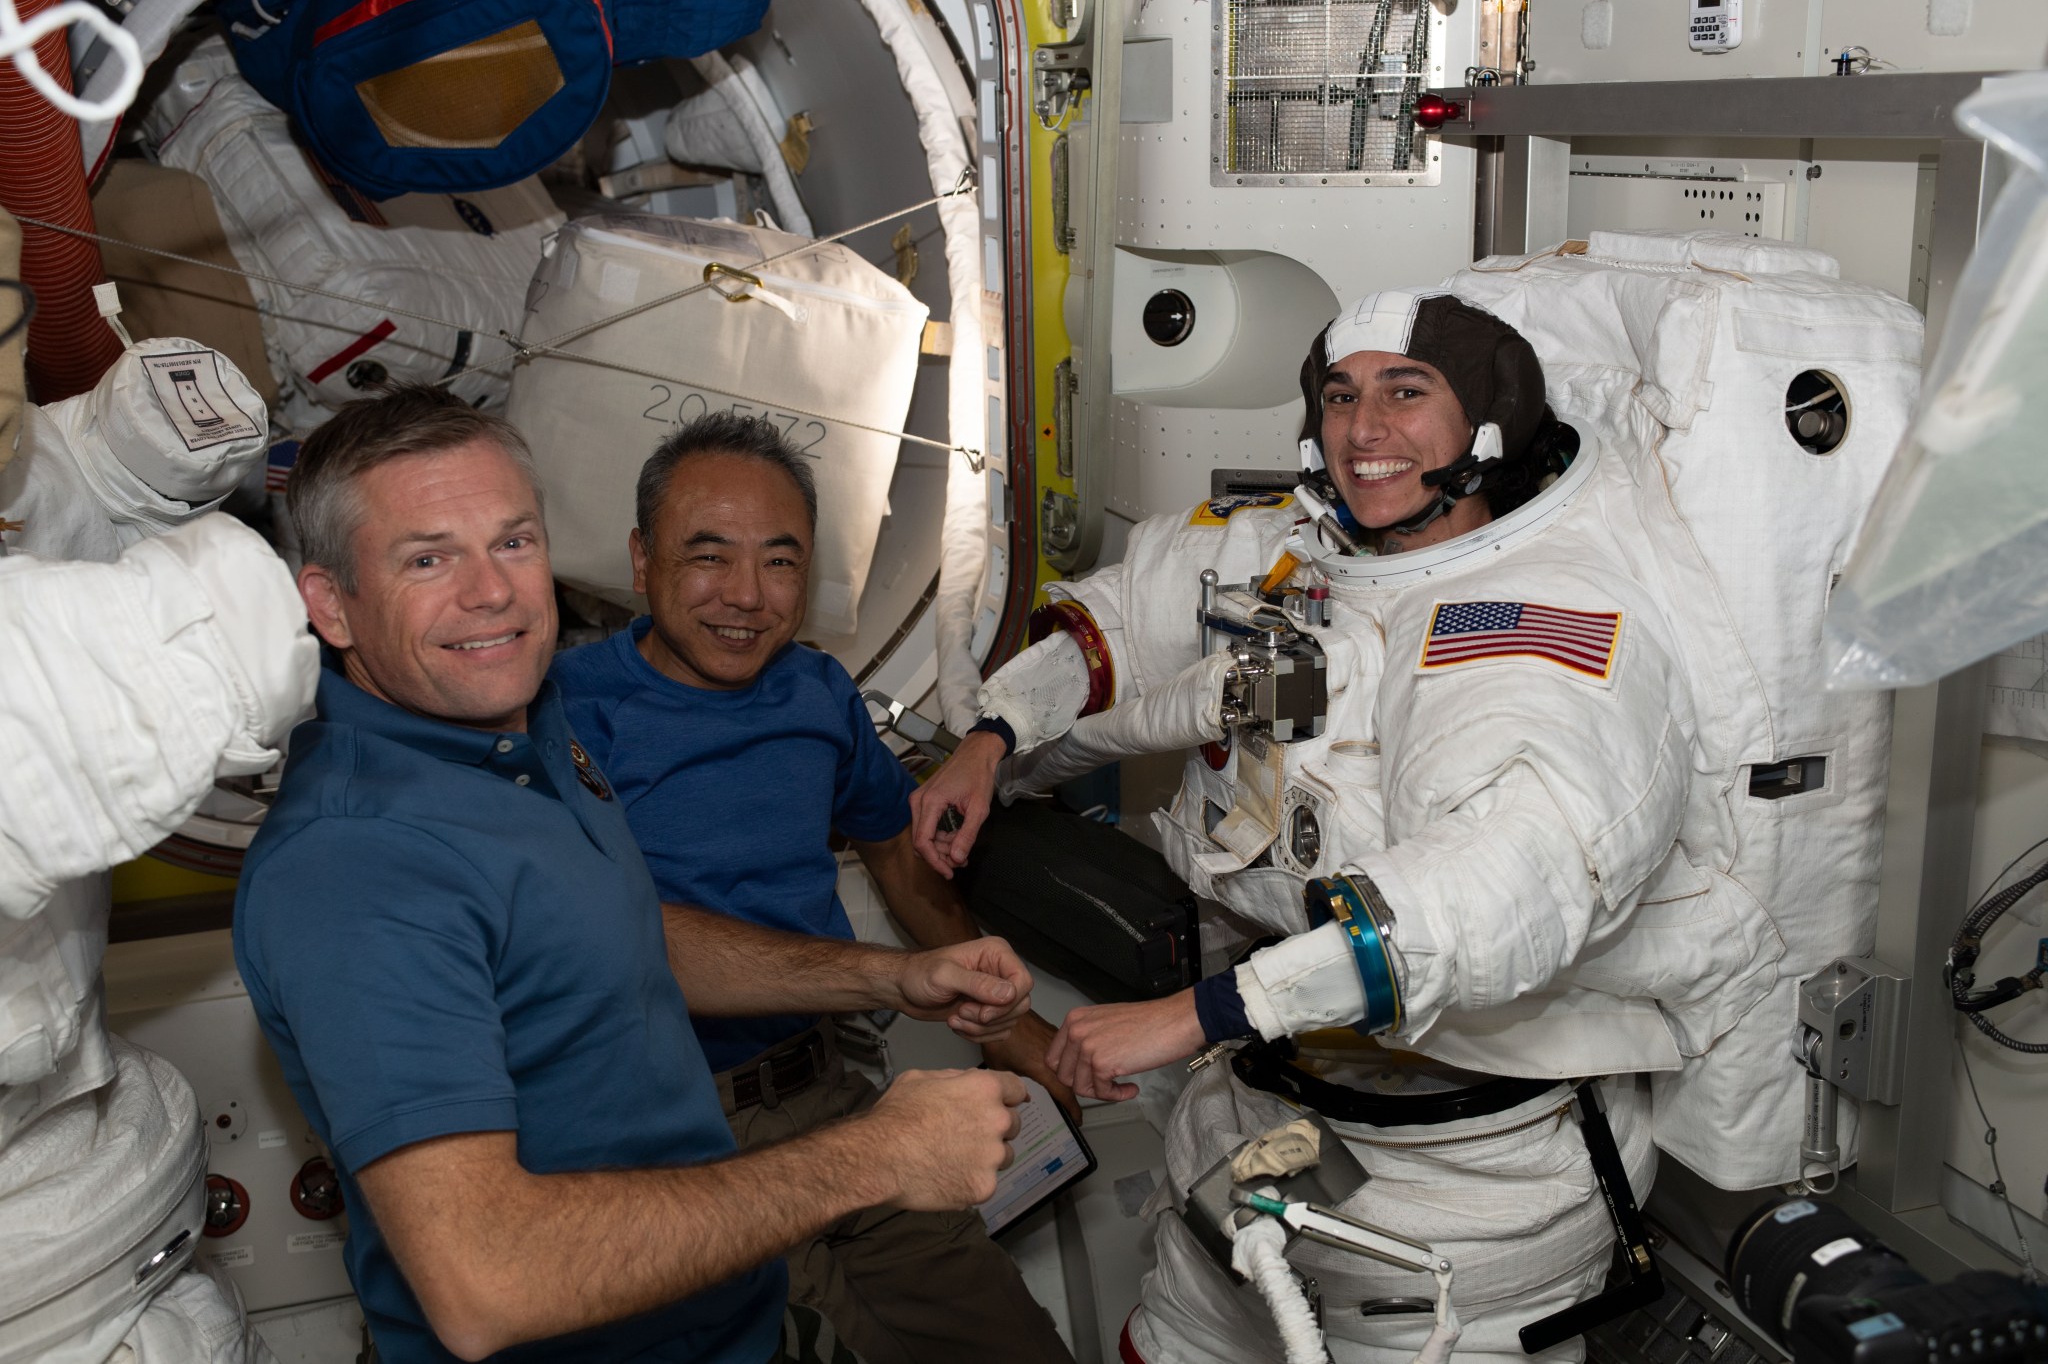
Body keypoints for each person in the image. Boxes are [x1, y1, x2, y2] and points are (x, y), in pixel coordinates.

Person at [906, 290, 1782, 1362]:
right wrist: (992, 737)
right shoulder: (1287, 549)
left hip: (1465, 1182)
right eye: (1339, 395)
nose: (1364, 431)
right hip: (1257, 1113)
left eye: (1406, 395)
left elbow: (1496, 890)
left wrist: (1199, 1013)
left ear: (1488, 424)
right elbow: (1124, 622)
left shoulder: (1538, 623)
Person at [233, 385, 1037, 1364]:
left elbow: (618, 935)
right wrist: (874, 1157)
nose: (490, 591)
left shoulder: (515, 732)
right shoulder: (359, 865)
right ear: (330, 603)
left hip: (712, 1309)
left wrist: (885, 977)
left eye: (513, 542)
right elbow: (484, 1283)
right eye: (428, 557)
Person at [547, 411, 1075, 1364]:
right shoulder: (568, 711)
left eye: (781, 562)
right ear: (639, 558)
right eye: (709, 556)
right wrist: (886, 977)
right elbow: (622, 939)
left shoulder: (816, 691)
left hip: (832, 1091)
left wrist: (1015, 1030)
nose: (746, 597)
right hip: (672, 1135)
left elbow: (897, 856)